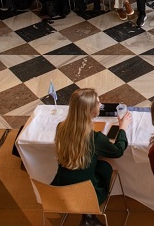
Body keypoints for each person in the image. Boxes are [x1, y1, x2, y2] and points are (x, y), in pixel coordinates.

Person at [51, 88, 130, 226]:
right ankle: (88, 215)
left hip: (60, 191)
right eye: (98, 103)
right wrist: (122, 128)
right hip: (89, 196)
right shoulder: (95, 138)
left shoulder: (60, 127)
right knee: (105, 166)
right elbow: (118, 151)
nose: (101, 105)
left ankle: (87, 216)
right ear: (91, 111)